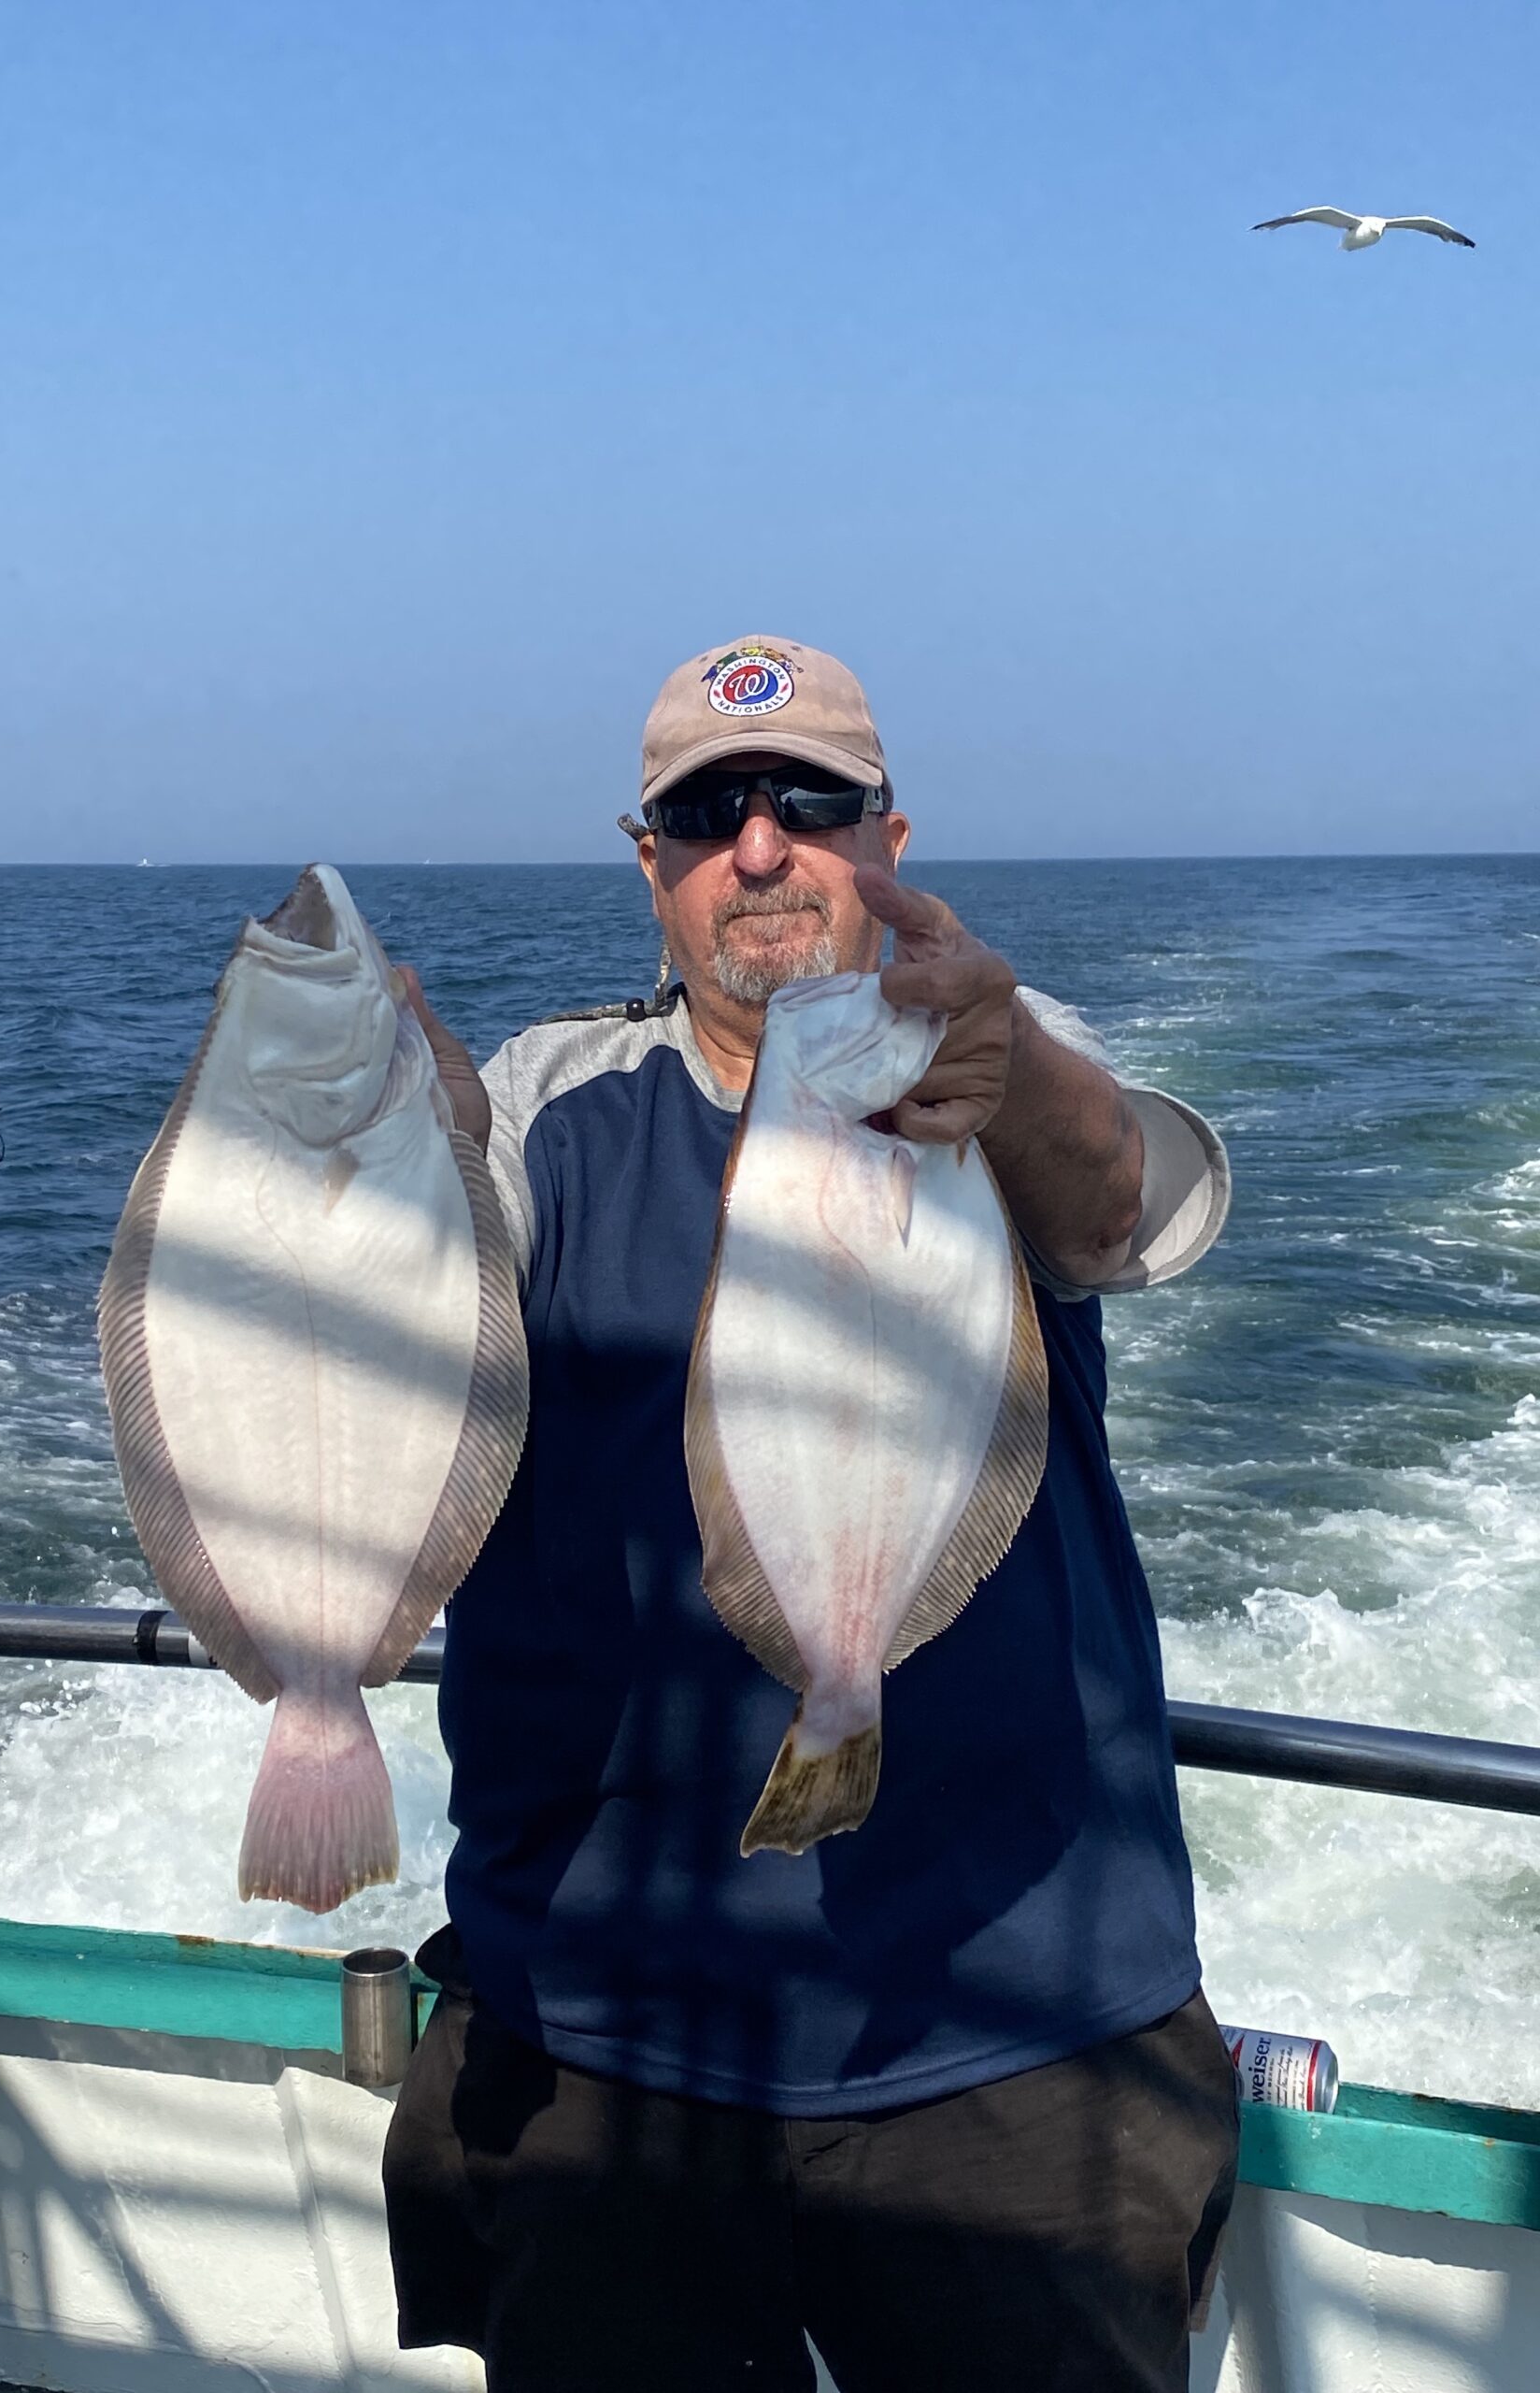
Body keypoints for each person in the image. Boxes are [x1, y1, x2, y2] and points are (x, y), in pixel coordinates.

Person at [383, 637, 1239, 2392]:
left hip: (1019, 2020)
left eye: (810, 805)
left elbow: (1117, 1212)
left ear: (889, 842)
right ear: (651, 866)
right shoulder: (550, 1106)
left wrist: (1008, 1068)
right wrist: (394, 1158)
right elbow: (417, 1353)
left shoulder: (999, 1069)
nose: (760, 847)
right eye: (708, 814)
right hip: (605, 2033)